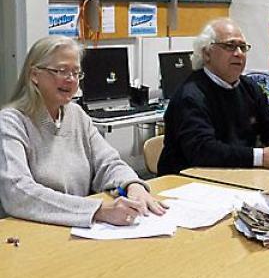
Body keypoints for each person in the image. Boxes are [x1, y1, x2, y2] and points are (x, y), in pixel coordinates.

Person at [0, 35, 167, 227]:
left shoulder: (76, 115)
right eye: (61, 71)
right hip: (32, 232)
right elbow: (17, 192)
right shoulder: (11, 122)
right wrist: (96, 210)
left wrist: (133, 185)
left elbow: (108, 162)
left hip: (77, 228)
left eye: (76, 73)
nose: (71, 80)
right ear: (34, 75)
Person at [157, 18, 269, 176]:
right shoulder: (190, 95)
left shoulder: (249, 87)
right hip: (187, 184)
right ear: (207, 53)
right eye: (230, 46)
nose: (239, 54)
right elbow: (203, 150)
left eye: (243, 47)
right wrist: (259, 157)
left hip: (236, 175)